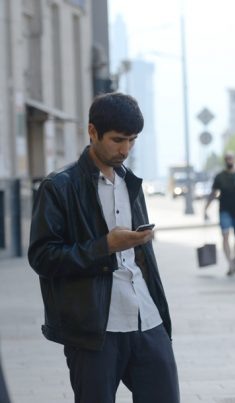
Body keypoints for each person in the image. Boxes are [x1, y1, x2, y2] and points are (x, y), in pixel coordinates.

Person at [27, 92, 179, 403]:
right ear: (92, 131)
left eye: (132, 141)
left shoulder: (131, 183)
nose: (125, 150)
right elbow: (42, 257)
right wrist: (105, 246)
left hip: (146, 317)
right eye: (117, 140)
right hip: (93, 328)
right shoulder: (59, 186)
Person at [203, 152, 235, 275]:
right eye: (227, 158)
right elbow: (213, 193)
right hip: (224, 210)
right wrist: (206, 208)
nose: (229, 160)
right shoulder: (220, 176)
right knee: (225, 235)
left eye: (231, 158)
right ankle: (230, 264)